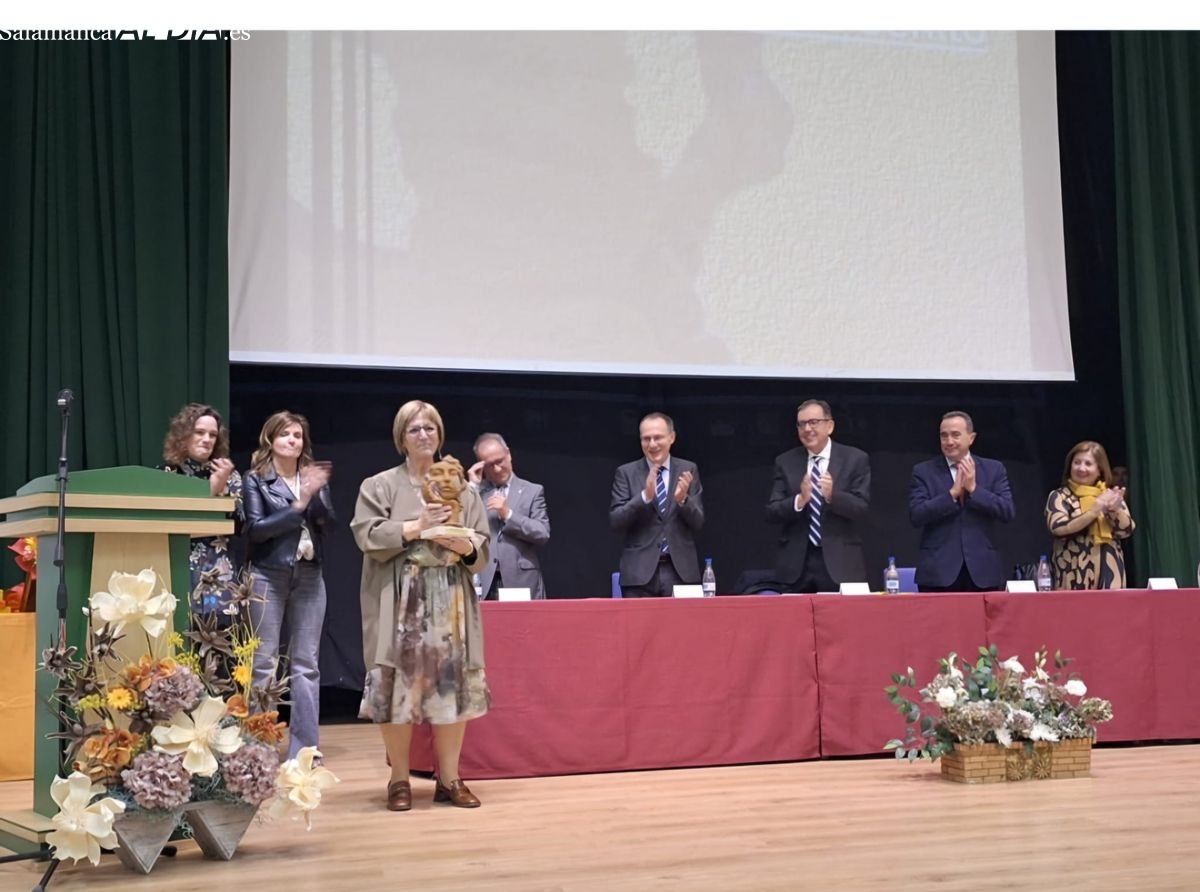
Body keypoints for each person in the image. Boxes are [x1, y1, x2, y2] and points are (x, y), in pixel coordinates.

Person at [352, 401, 491, 812]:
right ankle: (399, 779)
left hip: (450, 602)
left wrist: (463, 545)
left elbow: (482, 547)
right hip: (400, 603)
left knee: (451, 689)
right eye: (414, 429)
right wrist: (418, 527)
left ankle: (449, 779)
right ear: (402, 437)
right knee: (396, 689)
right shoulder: (379, 485)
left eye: (430, 428)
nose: (424, 435)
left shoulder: (462, 488)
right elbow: (367, 534)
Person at [243, 411, 335, 759]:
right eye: (285, 434)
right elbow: (256, 530)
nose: (292, 440)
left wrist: (316, 495)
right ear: (270, 439)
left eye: (297, 435)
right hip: (268, 575)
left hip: (309, 575)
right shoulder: (256, 479)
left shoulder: (310, 477)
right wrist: (299, 506)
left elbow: (329, 526)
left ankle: (305, 749)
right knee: (263, 663)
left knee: (306, 665)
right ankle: (260, 749)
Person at [765, 400, 871, 592]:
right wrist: (799, 500)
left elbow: (861, 508)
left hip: (841, 563)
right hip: (795, 566)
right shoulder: (785, 461)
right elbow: (772, 511)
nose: (807, 429)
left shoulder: (855, 459)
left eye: (813, 422)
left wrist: (832, 496)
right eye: (801, 424)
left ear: (830, 426)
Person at [909, 411, 1015, 592]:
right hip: (939, 573)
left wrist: (974, 490)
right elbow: (916, 515)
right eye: (944, 436)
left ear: (971, 438)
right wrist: (952, 494)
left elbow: (1007, 511)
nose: (949, 441)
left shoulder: (993, 469)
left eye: (955, 435)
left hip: (983, 571)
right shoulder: (923, 471)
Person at [159, 403, 244, 616]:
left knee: (222, 632)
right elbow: (171, 522)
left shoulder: (229, 475)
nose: (207, 439)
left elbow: (240, 525)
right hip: (179, 567)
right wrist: (212, 489)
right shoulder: (167, 474)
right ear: (183, 435)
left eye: (212, 435)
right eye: (199, 432)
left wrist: (224, 489)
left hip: (220, 572)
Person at [609, 412, 704, 598]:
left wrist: (683, 500)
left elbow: (698, 522)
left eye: (658, 437)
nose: (652, 444)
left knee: (683, 619)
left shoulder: (688, 470)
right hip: (639, 574)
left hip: (680, 572)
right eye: (646, 439)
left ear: (672, 437)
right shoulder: (626, 473)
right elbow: (616, 521)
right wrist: (644, 497)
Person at [467, 433, 551, 600]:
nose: (497, 469)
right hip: (484, 580)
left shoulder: (532, 491)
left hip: (521, 579)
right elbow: (462, 529)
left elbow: (542, 533)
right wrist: (473, 487)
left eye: (500, 461)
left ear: (509, 454)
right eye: (490, 465)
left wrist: (508, 515)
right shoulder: (476, 493)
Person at [1045, 441, 1135, 589]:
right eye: (1077, 463)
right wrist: (1094, 512)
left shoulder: (1109, 495)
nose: (1081, 468)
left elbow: (1126, 531)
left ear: (1099, 469)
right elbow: (1058, 528)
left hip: (1110, 579)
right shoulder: (1059, 496)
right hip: (1072, 578)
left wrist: (1114, 511)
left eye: (1088, 464)